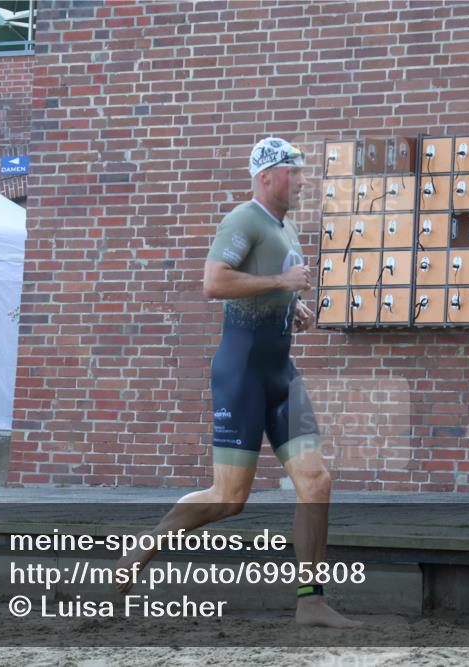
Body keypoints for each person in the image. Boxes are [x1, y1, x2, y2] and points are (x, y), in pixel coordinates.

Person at [115, 137, 360, 629]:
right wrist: (280, 286)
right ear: (267, 175)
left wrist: (293, 308)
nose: (302, 179)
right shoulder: (243, 220)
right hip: (243, 371)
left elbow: (271, 286)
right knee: (229, 498)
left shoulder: (285, 227)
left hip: (280, 373)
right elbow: (214, 283)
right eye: (293, 171)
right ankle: (143, 548)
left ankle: (309, 601)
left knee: (317, 483)